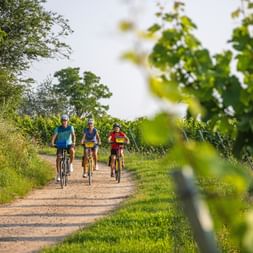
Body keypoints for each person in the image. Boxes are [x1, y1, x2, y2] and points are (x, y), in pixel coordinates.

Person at [51, 114, 76, 182]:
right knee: (58, 158)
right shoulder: (58, 128)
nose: (64, 122)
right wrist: (52, 142)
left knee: (72, 151)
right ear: (61, 121)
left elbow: (73, 135)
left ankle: (70, 164)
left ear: (67, 121)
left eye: (65, 120)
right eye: (62, 121)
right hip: (60, 144)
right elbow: (54, 136)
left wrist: (74, 142)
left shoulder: (70, 127)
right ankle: (58, 174)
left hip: (69, 144)